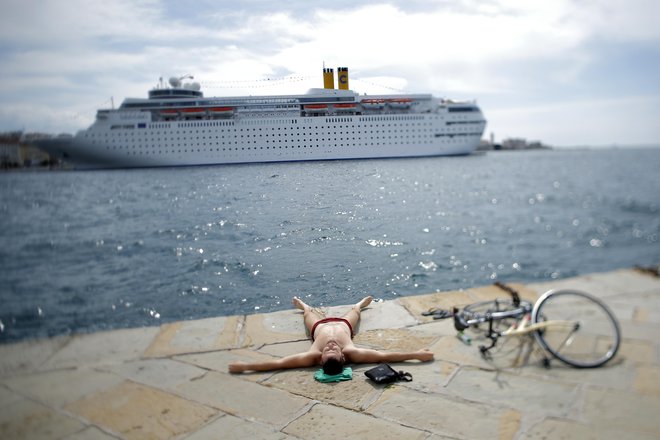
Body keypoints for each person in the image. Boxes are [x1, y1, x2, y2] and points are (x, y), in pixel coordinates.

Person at [228, 295, 434, 374]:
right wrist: (417, 354)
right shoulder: (352, 352)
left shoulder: (312, 356)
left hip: (319, 326)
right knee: (355, 310)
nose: (331, 346)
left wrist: (245, 367)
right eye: (333, 349)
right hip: (344, 324)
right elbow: (385, 356)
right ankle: (360, 304)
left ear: (320, 358)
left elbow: (279, 364)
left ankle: (304, 306)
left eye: (328, 350)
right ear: (343, 356)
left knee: (307, 313)